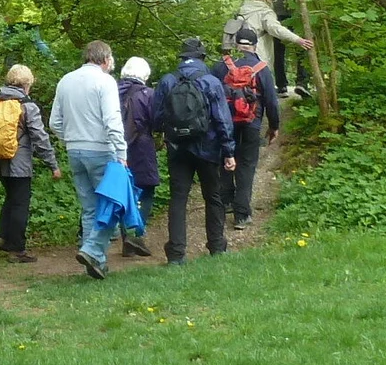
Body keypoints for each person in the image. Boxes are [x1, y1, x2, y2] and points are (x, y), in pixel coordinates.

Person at [49, 40, 128, 280]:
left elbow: (54, 122)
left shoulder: (66, 80)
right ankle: (92, 250)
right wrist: (121, 153)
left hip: (75, 151)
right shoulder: (105, 81)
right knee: (112, 205)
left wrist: (70, 139)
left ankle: (96, 262)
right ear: (105, 59)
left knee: (90, 208)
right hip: (101, 150)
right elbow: (112, 120)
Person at [154, 38, 237, 266]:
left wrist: (167, 134)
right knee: (213, 197)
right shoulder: (211, 82)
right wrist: (229, 151)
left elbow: (156, 117)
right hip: (208, 148)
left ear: (181, 58)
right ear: (202, 57)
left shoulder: (168, 81)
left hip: (178, 149)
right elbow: (222, 119)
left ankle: (177, 255)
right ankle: (217, 247)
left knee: (178, 199)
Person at [0, 65, 60, 263]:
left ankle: (4, 238)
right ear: (27, 84)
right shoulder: (27, 106)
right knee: (20, 202)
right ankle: (18, 250)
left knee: (11, 198)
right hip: (18, 163)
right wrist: (52, 164)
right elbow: (40, 138)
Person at [219, 27, 281, 231]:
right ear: (254, 46)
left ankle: (226, 202)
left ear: (237, 44)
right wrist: (274, 127)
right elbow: (272, 101)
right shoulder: (261, 68)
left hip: (226, 124)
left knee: (226, 161)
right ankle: (241, 215)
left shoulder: (223, 66)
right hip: (251, 124)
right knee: (246, 166)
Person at [116, 57, 161, 258]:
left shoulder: (111, 91)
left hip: (116, 146)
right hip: (141, 146)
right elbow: (157, 121)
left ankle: (127, 237)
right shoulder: (148, 94)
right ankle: (137, 234)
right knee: (146, 189)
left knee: (124, 192)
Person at [235, 0, 313, 96]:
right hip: (257, 52)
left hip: (237, 52)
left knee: (241, 84)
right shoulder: (265, 11)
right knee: (260, 86)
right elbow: (275, 28)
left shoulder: (242, 11)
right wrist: (297, 39)